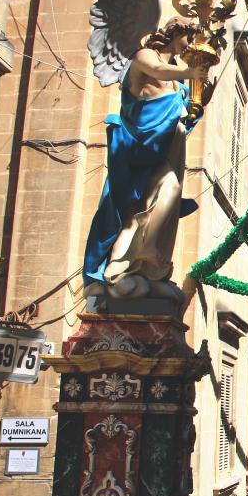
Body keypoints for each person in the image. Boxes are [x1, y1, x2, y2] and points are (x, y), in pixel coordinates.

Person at [83, 17, 208, 298]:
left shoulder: (177, 74)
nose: (190, 45)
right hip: (140, 143)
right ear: (178, 34)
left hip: (164, 144)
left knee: (169, 194)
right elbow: (157, 70)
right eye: (189, 38)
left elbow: (178, 107)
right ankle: (116, 266)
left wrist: (195, 100)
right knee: (134, 205)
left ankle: (140, 257)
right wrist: (190, 72)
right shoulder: (144, 55)